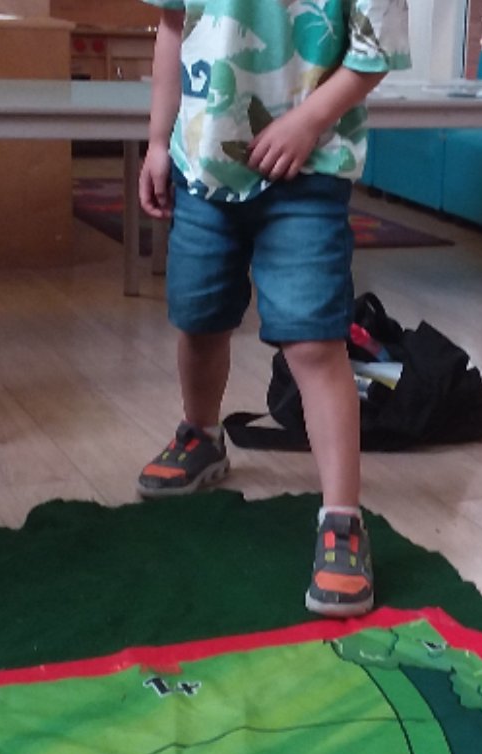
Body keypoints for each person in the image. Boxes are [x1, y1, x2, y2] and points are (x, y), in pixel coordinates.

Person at [134, 0, 410, 617]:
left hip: (308, 169)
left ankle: (342, 520)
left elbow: (372, 53)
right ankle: (201, 435)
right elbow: (174, 27)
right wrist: (157, 140)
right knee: (200, 317)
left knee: (314, 342)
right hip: (201, 166)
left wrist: (309, 121)